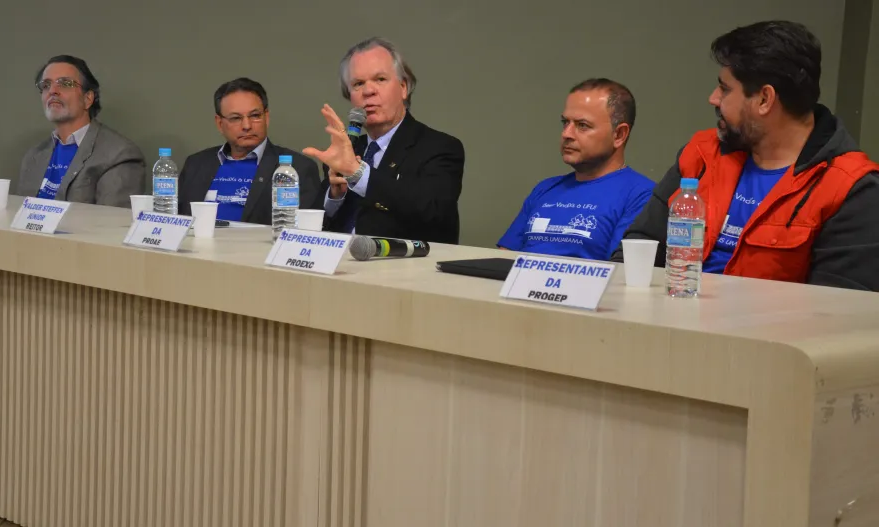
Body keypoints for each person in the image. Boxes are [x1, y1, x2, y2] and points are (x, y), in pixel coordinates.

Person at [613, 21, 879, 291]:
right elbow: (638, 249)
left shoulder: (852, 189)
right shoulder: (701, 154)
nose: (713, 98)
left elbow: (838, 311)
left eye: (725, 89)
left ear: (765, 99)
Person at [303, 37, 465, 244]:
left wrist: (358, 174)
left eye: (380, 79)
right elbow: (316, 229)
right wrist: (335, 196)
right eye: (358, 84)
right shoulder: (348, 149)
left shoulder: (440, 147)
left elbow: (432, 212)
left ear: (403, 87)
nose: (368, 91)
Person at [497, 79, 653, 260]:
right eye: (565, 122)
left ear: (619, 134)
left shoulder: (642, 195)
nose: (566, 134)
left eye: (582, 125)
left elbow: (621, 274)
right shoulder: (545, 189)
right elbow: (504, 260)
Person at [177, 77, 321, 223]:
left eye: (255, 116)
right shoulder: (196, 164)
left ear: (267, 117)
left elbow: (306, 229)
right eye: (235, 118)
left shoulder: (297, 168)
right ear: (220, 124)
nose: (247, 125)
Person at [17, 55, 145, 208]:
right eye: (46, 85)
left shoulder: (120, 155)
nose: (52, 91)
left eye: (65, 83)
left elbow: (110, 226)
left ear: (88, 99)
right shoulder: (34, 156)